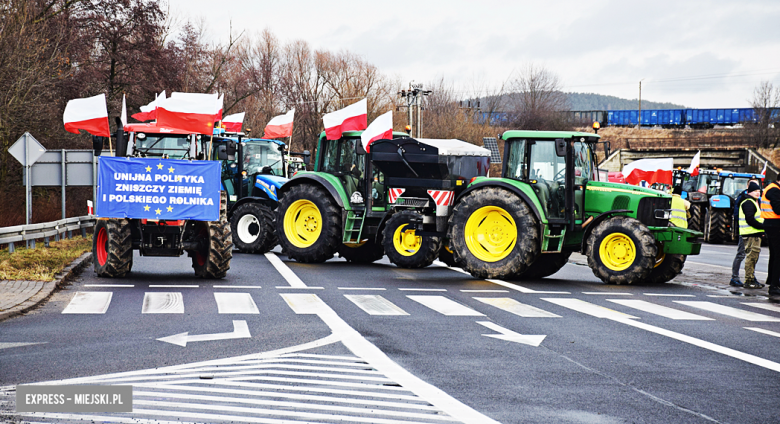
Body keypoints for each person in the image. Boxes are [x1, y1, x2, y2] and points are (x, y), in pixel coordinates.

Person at [730, 178, 760, 286]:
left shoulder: (756, 199)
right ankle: (735, 277)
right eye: (754, 186)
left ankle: (751, 276)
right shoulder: (744, 198)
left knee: (751, 256)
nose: (757, 190)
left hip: (754, 231)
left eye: (758, 187)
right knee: (741, 254)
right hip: (746, 231)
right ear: (748, 187)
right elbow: (739, 214)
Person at [738, 182, 765, 288]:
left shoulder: (752, 201)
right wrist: (762, 227)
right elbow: (750, 219)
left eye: (759, 191)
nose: (758, 193)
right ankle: (749, 280)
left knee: (753, 257)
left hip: (753, 233)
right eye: (755, 191)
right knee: (751, 258)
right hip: (750, 234)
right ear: (750, 192)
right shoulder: (748, 202)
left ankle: (751, 278)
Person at [760, 174, 780, 296]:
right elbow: (778, 209)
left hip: (772, 225)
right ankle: (774, 285)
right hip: (775, 225)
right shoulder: (774, 190)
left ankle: (772, 280)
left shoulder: (771, 188)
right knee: (778, 255)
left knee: (774, 254)